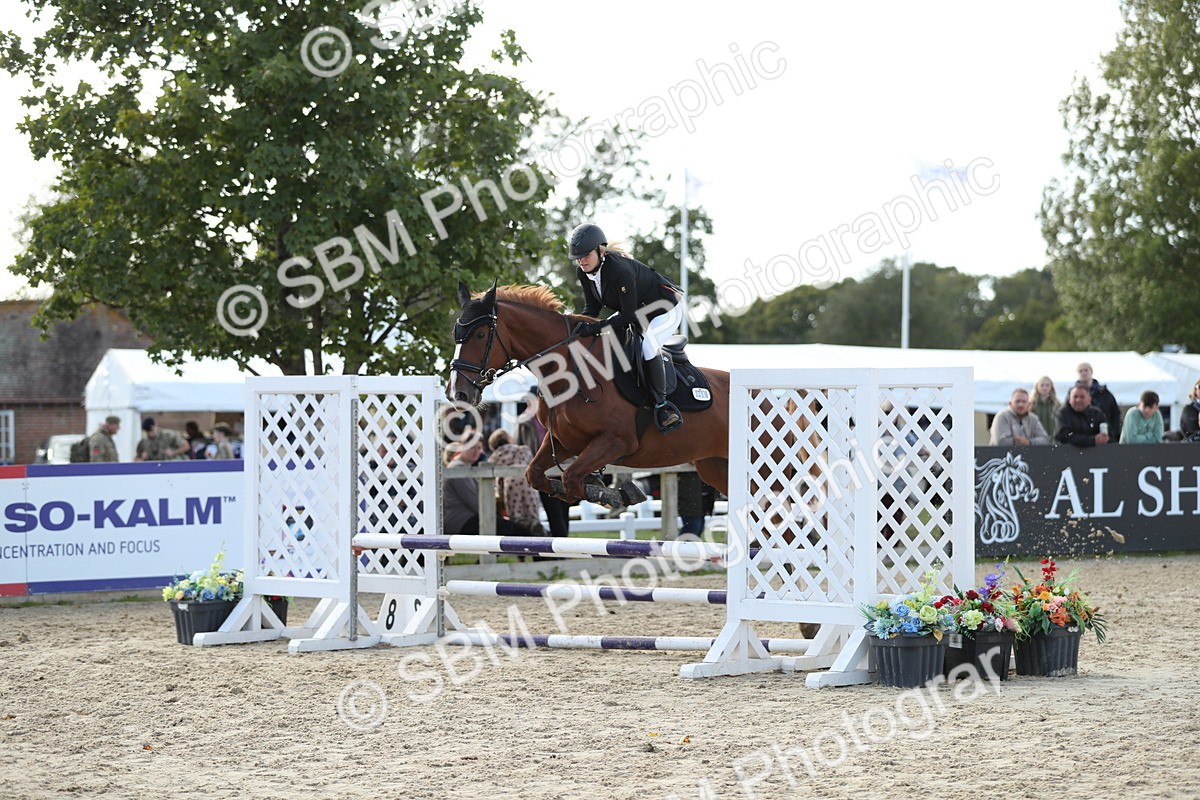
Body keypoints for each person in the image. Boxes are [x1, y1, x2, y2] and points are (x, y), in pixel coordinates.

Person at [568, 222, 685, 434]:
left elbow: (628, 316)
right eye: (578, 257)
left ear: (600, 251)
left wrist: (595, 328)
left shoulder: (619, 270)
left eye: (586, 255)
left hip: (665, 309)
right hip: (638, 311)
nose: (581, 261)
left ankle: (662, 406)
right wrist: (575, 328)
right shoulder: (583, 272)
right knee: (608, 340)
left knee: (648, 346)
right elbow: (592, 309)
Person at [442, 433, 525, 536]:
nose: (476, 451)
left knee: (514, 528)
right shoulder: (458, 468)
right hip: (461, 522)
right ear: (463, 447)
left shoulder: (465, 467)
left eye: (479, 448)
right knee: (517, 531)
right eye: (472, 447)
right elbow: (476, 503)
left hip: (468, 518)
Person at [486, 429, 544, 535]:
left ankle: (525, 534)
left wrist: (500, 490)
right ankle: (535, 527)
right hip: (527, 482)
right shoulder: (524, 449)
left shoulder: (494, 457)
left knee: (517, 516)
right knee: (532, 513)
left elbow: (494, 477)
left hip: (510, 485)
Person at [1076, 362, 1122, 441]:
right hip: (1081, 438)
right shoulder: (1073, 395)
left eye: (1086, 370)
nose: (1083, 373)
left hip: (1105, 436)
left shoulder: (1105, 393)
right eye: (1080, 371)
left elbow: (1115, 413)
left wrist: (1113, 432)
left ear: (1091, 372)